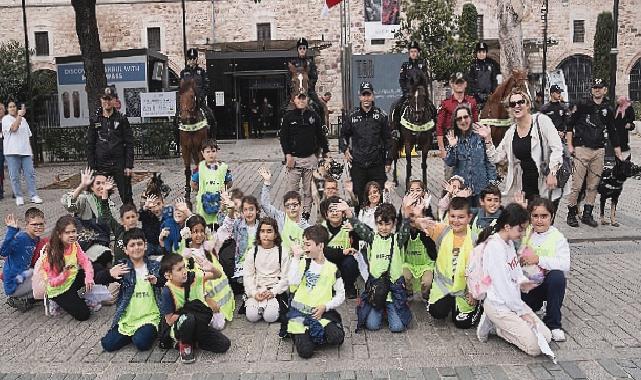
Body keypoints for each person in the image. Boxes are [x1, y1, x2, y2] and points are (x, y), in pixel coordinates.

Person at [475, 203, 553, 357]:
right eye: (520, 229)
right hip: (499, 306)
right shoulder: (495, 248)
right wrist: (521, 312)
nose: (522, 234)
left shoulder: (509, 243)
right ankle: (496, 327)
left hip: (513, 302)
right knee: (534, 348)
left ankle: (501, 324)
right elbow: (502, 287)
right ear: (507, 226)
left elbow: (515, 271)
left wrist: (524, 282)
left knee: (547, 336)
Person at [476, 90, 565, 205]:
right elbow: (496, 158)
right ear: (510, 109)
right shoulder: (511, 132)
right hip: (522, 186)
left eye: (520, 102)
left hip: (545, 182)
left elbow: (557, 148)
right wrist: (488, 138)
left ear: (527, 104)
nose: (517, 106)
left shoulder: (542, 121)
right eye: (513, 104)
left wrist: (552, 173)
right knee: (524, 220)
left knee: (541, 219)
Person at [415, 197, 482, 329]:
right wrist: (418, 220)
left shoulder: (476, 239)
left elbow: (482, 270)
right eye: (452, 216)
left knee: (462, 324)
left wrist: (475, 293)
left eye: (461, 217)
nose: (456, 221)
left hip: (466, 289)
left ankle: (478, 305)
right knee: (436, 312)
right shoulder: (443, 231)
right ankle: (450, 302)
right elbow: (418, 224)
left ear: (469, 217)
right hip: (444, 287)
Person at [347, 200, 412, 333]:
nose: (383, 227)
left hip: (392, 292)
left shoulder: (397, 240)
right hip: (376, 290)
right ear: (376, 223)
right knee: (372, 325)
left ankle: (390, 309)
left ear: (393, 224)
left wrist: (406, 212)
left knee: (397, 327)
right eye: (380, 224)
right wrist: (348, 213)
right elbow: (359, 227)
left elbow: (406, 229)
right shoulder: (372, 238)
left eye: (387, 224)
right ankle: (379, 309)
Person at [566, 78, 622, 227]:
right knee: (577, 185)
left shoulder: (607, 109)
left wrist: (618, 151)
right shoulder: (582, 105)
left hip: (598, 151)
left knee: (593, 185)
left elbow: (612, 130)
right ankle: (571, 213)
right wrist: (570, 145)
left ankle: (587, 214)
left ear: (604, 90)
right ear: (591, 90)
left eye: (600, 87)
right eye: (594, 87)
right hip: (581, 148)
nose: (597, 90)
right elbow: (570, 125)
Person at [160, 253, 231, 364]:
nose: (184, 271)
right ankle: (184, 345)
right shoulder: (167, 291)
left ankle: (195, 342)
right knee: (189, 319)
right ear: (168, 275)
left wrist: (211, 268)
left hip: (199, 324)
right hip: (180, 327)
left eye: (184, 266)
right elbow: (169, 320)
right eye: (179, 269)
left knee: (224, 344)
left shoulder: (193, 277)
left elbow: (218, 275)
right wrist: (188, 312)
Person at [287, 225, 345, 358]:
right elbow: (292, 281)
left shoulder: (332, 269)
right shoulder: (303, 262)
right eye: (304, 244)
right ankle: (301, 334)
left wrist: (326, 306)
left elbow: (341, 295)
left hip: (321, 314)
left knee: (338, 337)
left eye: (308, 244)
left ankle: (313, 332)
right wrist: (295, 258)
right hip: (300, 313)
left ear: (320, 246)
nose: (305, 248)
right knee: (305, 352)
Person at [100, 228, 162, 352]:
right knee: (107, 344)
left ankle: (146, 332)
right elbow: (99, 279)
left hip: (150, 317)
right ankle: (132, 333)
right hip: (129, 318)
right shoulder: (123, 268)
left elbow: (168, 282)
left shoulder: (155, 266)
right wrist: (109, 273)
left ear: (145, 246)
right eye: (132, 245)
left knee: (141, 343)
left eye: (139, 244)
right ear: (126, 250)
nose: (136, 248)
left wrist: (158, 281)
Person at [520, 197, 570, 342]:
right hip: (526, 286)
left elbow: (565, 264)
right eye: (535, 216)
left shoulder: (558, 238)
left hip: (545, 286)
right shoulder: (525, 232)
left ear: (552, 217)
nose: (539, 220)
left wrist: (539, 260)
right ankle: (533, 310)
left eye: (544, 216)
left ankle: (553, 324)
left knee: (557, 276)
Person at [339, 82, 392, 207]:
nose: (366, 98)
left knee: (379, 197)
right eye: (364, 95)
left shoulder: (381, 116)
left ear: (373, 96)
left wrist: (389, 161)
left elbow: (389, 139)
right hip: (358, 164)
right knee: (359, 197)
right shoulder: (352, 116)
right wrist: (345, 149)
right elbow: (342, 136)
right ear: (360, 97)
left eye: (369, 95)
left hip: (377, 164)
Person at [181, 214, 235, 330]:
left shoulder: (210, 248)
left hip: (223, 299)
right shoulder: (187, 257)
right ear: (188, 233)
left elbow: (225, 229)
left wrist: (230, 212)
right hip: (204, 297)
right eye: (195, 231)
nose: (199, 235)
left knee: (219, 325)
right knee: (216, 325)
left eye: (201, 231)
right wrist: (206, 298)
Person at [280, 91, 329, 218]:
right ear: (294, 100)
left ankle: (306, 216)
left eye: (304, 99)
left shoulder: (314, 116)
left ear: (307, 100)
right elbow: (283, 138)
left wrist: (326, 152)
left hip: (310, 159)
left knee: (309, 191)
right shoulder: (288, 117)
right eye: (299, 99)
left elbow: (320, 135)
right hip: (294, 160)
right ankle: (292, 216)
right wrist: (287, 155)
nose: (301, 101)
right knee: (292, 191)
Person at [41, 215, 96, 321]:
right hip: (59, 289)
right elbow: (51, 282)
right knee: (84, 315)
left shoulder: (74, 244)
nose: (72, 235)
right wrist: (63, 275)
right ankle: (53, 300)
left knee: (95, 269)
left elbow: (85, 261)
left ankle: (76, 296)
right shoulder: (52, 253)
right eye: (67, 232)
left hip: (71, 279)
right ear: (59, 234)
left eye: (73, 231)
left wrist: (88, 278)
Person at [61, 168, 118, 267]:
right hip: (86, 244)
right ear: (91, 187)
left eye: (104, 183)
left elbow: (114, 228)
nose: (101, 186)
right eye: (98, 183)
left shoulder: (110, 204)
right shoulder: (85, 199)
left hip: (106, 243)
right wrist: (81, 186)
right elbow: (69, 205)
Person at [87, 87, 134, 205]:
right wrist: (92, 166)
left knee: (126, 196)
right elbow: (90, 144)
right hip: (101, 164)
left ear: (114, 101)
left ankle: (129, 220)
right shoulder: (95, 119)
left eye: (110, 99)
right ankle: (102, 221)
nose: (107, 102)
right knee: (100, 197)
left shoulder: (122, 119)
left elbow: (129, 143)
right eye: (104, 99)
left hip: (119, 163)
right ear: (101, 100)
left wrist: (129, 165)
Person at [444, 104, 496, 206]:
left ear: (470, 117)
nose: (463, 121)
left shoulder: (480, 136)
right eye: (459, 118)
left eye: (465, 117)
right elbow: (450, 163)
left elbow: (489, 162)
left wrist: (492, 184)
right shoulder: (453, 138)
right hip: (462, 190)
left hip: (481, 188)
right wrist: (453, 147)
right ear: (455, 121)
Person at [243, 217, 289, 326]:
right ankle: (257, 305)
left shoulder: (282, 252)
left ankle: (271, 307)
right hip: (257, 289)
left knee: (270, 317)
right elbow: (248, 276)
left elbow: (286, 277)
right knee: (252, 316)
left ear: (275, 234)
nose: (265, 234)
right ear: (258, 234)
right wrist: (254, 293)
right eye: (262, 231)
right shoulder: (252, 252)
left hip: (274, 291)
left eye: (269, 231)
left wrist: (273, 292)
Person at [258, 167, 311, 254]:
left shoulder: (307, 228)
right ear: (284, 208)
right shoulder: (280, 217)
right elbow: (265, 205)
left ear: (300, 206)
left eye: (295, 205)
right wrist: (266, 182)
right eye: (288, 206)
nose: (292, 208)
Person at [1, 208, 45, 311]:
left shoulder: (35, 239)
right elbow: (3, 252)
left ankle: (25, 299)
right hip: (14, 284)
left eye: (41, 224)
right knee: (48, 282)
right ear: (26, 224)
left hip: (24, 276)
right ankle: (17, 298)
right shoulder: (21, 238)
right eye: (34, 224)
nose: (38, 227)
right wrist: (11, 231)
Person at [1, 101, 43, 206]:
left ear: (16, 107)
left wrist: (30, 151)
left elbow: (27, 136)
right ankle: (19, 196)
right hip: (12, 152)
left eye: (14, 106)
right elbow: (14, 128)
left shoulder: (24, 120)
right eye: (10, 107)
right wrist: (19, 115)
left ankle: (33, 195)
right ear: (7, 109)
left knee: (30, 174)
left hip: (25, 152)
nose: (12, 108)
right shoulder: (6, 119)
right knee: (15, 176)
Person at [318, 196, 360, 299]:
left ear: (343, 213)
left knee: (351, 263)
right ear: (326, 215)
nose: (335, 213)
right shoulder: (322, 228)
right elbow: (321, 250)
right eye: (331, 210)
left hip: (345, 260)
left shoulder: (348, 226)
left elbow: (356, 247)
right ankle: (329, 286)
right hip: (329, 260)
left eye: (338, 210)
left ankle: (349, 286)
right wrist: (342, 252)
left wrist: (354, 231)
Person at [401, 181, 436, 304]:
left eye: (418, 190)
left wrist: (423, 213)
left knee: (427, 282)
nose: (415, 193)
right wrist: (406, 212)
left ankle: (426, 296)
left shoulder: (428, 214)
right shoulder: (404, 213)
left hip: (426, 262)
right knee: (404, 276)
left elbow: (431, 240)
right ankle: (408, 293)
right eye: (412, 190)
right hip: (408, 261)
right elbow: (401, 237)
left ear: (423, 193)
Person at [436, 72, 479, 164]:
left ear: (465, 84)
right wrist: (442, 149)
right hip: (451, 143)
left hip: (469, 143)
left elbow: (476, 124)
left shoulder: (472, 102)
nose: (459, 85)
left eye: (461, 83)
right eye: (457, 83)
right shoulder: (445, 104)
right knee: (451, 175)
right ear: (451, 84)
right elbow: (439, 127)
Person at [191, 139, 233, 228]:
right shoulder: (199, 168)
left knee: (220, 225)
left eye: (213, 151)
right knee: (204, 227)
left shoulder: (223, 167)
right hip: (204, 204)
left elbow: (229, 182)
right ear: (202, 153)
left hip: (220, 202)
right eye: (208, 152)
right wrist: (202, 190)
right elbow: (193, 183)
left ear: (217, 151)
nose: (211, 154)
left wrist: (223, 189)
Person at [180, 48, 216, 137]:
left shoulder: (202, 72)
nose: (192, 61)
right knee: (175, 121)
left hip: (200, 102)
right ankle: (176, 145)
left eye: (194, 59)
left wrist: (201, 96)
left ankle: (212, 141)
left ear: (196, 59)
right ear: (188, 60)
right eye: (190, 59)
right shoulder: (183, 73)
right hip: (187, 103)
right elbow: (180, 88)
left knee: (211, 118)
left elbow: (206, 86)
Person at [288, 37, 321, 107]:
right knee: (285, 107)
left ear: (306, 50)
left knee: (320, 106)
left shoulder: (310, 63)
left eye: (304, 48)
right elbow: (289, 76)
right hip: (296, 90)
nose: (302, 50)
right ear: (298, 50)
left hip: (308, 90)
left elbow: (314, 77)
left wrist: (308, 85)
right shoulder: (293, 63)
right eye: (300, 48)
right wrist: (293, 86)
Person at [467, 42, 498, 109]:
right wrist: (476, 94)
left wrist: (494, 93)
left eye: (483, 52)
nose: (481, 54)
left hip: (489, 96)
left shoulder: (491, 64)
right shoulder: (472, 65)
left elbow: (494, 80)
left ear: (486, 52)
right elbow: (470, 81)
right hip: (475, 96)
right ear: (476, 53)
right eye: (479, 52)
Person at [614, 95, 635, 160]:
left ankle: (623, 149)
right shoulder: (618, 107)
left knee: (623, 138)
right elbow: (615, 115)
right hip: (617, 126)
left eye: (620, 101)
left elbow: (632, 117)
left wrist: (629, 122)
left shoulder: (629, 108)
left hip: (624, 127)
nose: (619, 103)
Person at [0, 101, 5, 200]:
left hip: (10, 148)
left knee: (14, 171)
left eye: (1, 109)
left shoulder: (8, 120)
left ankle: (15, 191)